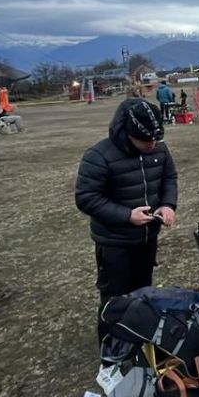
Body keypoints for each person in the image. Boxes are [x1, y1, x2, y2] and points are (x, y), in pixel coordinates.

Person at [75, 98, 177, 330]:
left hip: (147, 239)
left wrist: (168, 204)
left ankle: (140, 341)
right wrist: (126, 215)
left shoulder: (159, 149)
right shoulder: (98, 155)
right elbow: (86, 198)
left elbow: (169, 178)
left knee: (143, 293)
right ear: (127, 133)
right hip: (114, 244)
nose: (152, 144)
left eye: (155, 139)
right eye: (145, 140)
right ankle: (113, 353)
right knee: (115, 300)